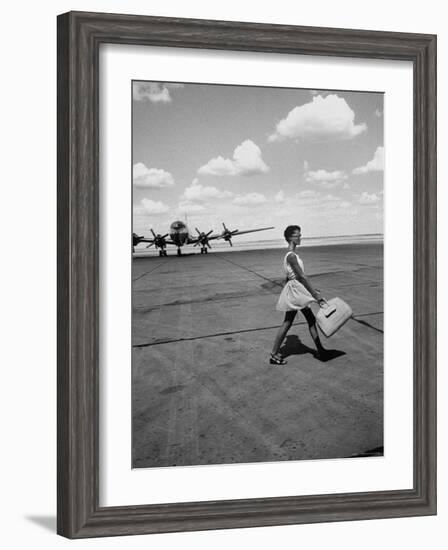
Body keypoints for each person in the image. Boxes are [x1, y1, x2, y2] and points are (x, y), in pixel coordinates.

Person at [270, 225, 327, 365]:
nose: (300, 237)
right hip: (297, 292)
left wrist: (307, 291)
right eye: (298, 235)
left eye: (300, 235)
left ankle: (320, 350)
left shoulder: (291, 255)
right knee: (290, 322)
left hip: (296, 291)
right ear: (290, 238)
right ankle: (274, 354)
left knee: (306, 320)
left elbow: (290, 278)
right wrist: (314, 294)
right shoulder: (291, 256)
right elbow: (301, 276)